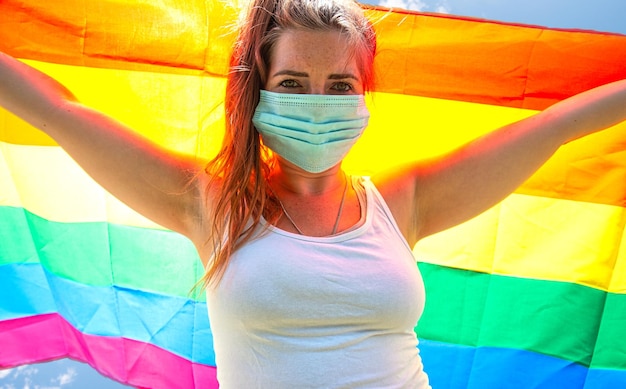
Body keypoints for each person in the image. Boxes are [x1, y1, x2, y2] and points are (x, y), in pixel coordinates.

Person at [1, 0, 625, 387]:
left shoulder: (403, 202)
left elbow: (555, 126)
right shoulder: (209, 203)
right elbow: (55, 109)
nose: (317, 104)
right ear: (260, 91)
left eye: (339, 84)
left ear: (363, 95)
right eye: (294, 82)